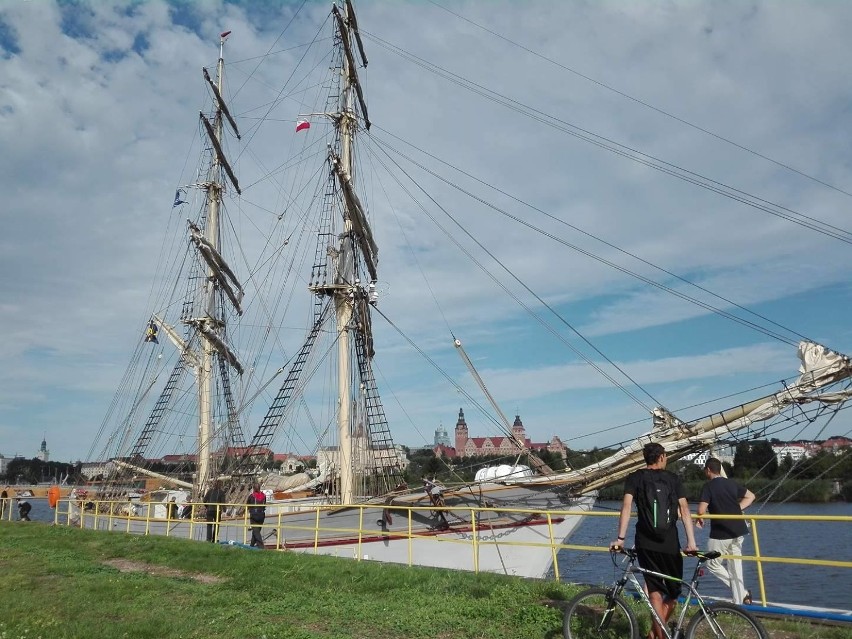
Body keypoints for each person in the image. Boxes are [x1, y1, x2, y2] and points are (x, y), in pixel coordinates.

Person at [611, 443, 697, 639]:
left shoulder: (635, 477)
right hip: (670, 543)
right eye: (665, 456)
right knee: (673, 595)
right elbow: (684, 511)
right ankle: (661, 635)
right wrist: (691, 542)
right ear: (661, 457)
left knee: (655, 593)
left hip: (645, 542)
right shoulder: (673, 479)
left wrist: (620, 539)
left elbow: (626, 507)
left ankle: (654, 634)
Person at [696, 457, 755, 605]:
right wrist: (737, 509)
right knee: (736, 567)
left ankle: (742, 593)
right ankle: (739, 601)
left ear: (708, 470)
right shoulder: (731, 483)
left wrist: (699, 516)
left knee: (711, 563)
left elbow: (701, 510)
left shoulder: (708, 487)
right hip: (739, 530)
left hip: (721, 532)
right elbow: (751, 496)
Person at [247, 483, 267, 548]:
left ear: (254, 489)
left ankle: (261, 546)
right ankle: (251, 546)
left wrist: (249, 510)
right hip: (262, 516)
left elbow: (247, 505)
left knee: (256, 532)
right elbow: (264, 505)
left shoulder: (251, 496)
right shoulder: (264, 496)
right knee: (256, 532)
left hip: (254, 516)